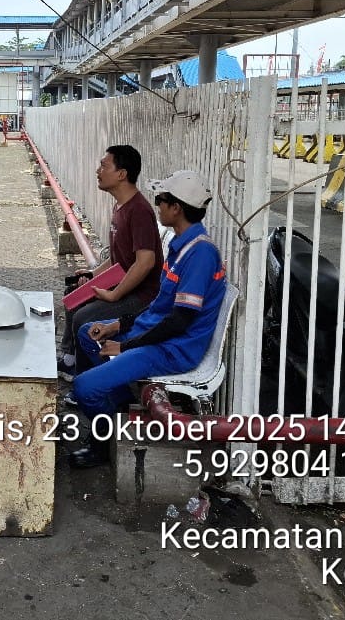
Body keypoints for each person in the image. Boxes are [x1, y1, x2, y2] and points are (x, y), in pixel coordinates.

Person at [69, 170, 227, 468]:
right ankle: (118, 405)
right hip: (155, 335)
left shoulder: (200, 255)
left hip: (171, 350)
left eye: (160, 200)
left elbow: (179, 322)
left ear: (176, 208)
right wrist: (117, 326)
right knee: (89, 332)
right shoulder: (181, 247)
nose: (158, 206)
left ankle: (104, 442)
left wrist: (124, 347)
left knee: (84, 388)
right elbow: (159, 306)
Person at [58, 145, 162, 381]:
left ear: (122, 174)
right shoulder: (120, 207)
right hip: (124, 287)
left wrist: (114, 295)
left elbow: (145, 262)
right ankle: (70, 359)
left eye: (104, 166)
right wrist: (93, 275)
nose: (98, 171)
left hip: (141, 296)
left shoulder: (139, 211)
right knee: (73, 295)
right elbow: (118, 258)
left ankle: (87, 378)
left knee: (83, 317)